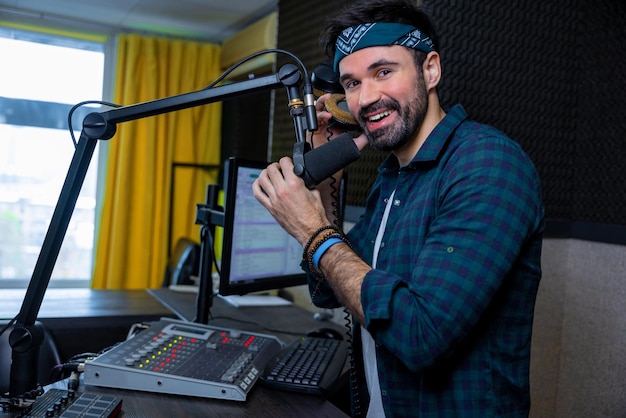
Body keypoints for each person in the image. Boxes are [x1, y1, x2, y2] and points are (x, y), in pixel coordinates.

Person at [252, 0, 544, 416]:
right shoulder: (392, 176)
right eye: (351, 83)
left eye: (383, 72)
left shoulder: (488, 165)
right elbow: (328, 288)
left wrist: (313, 233)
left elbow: (421, 336)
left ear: (430, 70)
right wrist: (326, 181)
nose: (366, 98)